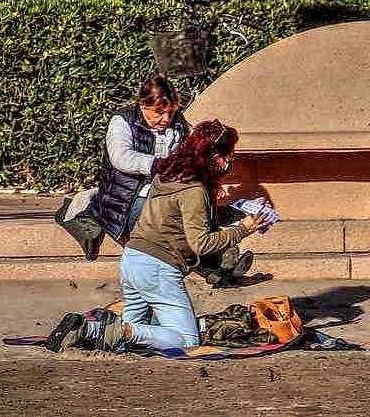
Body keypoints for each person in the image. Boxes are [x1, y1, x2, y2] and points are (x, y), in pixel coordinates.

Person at [45, 120, 272, 352]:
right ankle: (101, 329)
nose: (229, 163)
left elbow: (192, 216)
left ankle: (87, 329)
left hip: (133, 260)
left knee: (132, 336)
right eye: (229, 157)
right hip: (159, 269)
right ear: (214, 157)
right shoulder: (195, 190)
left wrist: (239, 211)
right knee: (187, 340)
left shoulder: (170, 175)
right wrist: (244, 229)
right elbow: (201, 244)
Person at [90, 75, 191, 242]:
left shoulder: (178, 123)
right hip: (127, 200)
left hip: (165, 193)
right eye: (160, 112)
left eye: (171, 112)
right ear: (143, 105)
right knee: (160, 220)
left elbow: (196, 144)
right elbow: (121, 157)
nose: (166, 119)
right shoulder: (123, 120)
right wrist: (157, 164)